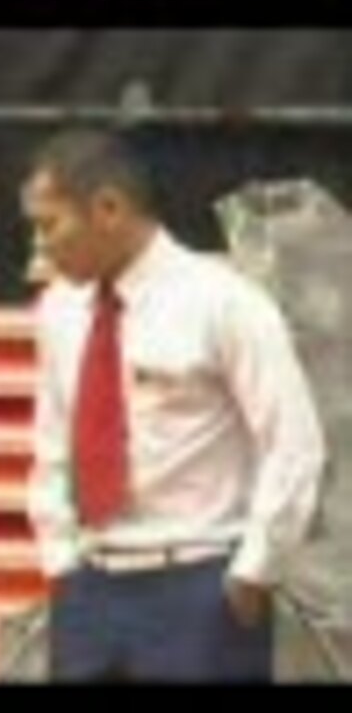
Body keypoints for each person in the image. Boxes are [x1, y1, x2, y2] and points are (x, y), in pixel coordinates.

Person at [21, 128, 326, 682]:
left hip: (200, 582)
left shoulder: (223, 302)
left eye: (50, 225)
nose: (40, 246)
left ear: (108, 209)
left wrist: (253, 573)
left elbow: (293, 442)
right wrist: (61, 563)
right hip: (90, 587)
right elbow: (51, 445)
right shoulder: (58, 311)